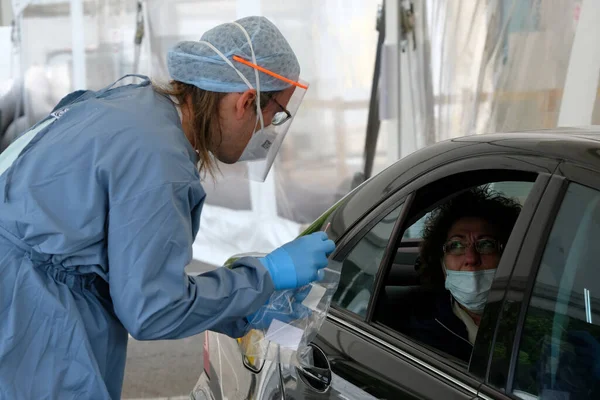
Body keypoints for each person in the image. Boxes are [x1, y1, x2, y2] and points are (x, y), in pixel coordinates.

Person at [0, 16, 335, 399]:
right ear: (246, 102)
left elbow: (126, 270)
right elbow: (152, 310)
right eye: (273, 117)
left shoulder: (138, 106)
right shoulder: (159, 160)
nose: (268, 133)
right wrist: (265, 276)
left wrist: (238, 308)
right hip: (27, 311)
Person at [401, 186, 521, 362]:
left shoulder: (537, 318)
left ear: (509, 255)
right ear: (441, 263)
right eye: (456, 246)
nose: (471, 258)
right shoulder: (423, 328)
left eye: (486, 244)